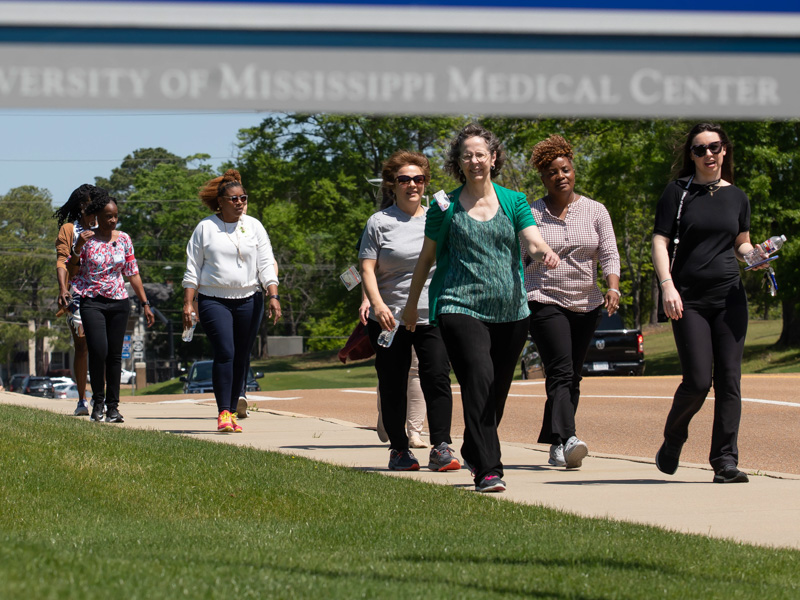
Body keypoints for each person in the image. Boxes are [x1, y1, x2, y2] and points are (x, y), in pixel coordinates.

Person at [403, 124, 559, 492]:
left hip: (511, 312)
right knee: (478, 379)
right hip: (460, 305)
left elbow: (532, 241)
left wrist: (544, 251)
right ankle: (489, 469)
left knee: (496, 392)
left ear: (493, 157)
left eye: (480, 154)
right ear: (459, 162)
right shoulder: (444, 204)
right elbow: (427, 258)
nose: (474, 161)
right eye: (466, 155)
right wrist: (413, 306)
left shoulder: (514, 200)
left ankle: (474, 445)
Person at [652, 123, 757, 484]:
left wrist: (754, 254)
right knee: (698, 381)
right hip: (688, 299)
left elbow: (741, 242)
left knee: (729, 380)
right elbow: (659, 241)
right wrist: (667, 286)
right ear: (691, 156)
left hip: (729, 298)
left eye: (714, 147)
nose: (708, 154)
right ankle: (673, 438)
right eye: (700, 149)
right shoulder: (677, 192)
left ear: (724, 150)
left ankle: (724, 461)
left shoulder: (738, 197)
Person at [524, 135, 621, 469]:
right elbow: (520, 256)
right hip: (544, 298)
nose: (560, 176)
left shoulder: (595, 210)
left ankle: (555, 442)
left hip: (587, 302)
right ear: (543, 177)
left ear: (573, 170)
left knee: (572, 376)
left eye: (565, 169)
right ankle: (569, 439)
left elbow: (609, 251)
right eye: (552, 172)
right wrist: (536, 255)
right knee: (561, 372)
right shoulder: (531, 212)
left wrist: (613, 287)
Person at [360, 150, 458, 472]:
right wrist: (376, 304)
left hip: (431, 313)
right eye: (405, 179)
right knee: (392, 382)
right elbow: (367, 269)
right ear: (393, 184)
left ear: (426, 183)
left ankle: (441, 447)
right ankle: (399, 449)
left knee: (436, 378)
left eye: (418, 179)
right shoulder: (380, 222)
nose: (412, 185)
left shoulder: (437, 218)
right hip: (389, 319)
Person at [182, 169, 280, 434]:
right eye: (234, 199)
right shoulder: (205, 228)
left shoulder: (254, 226)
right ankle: (223, 412)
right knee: (225, 352)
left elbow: (266, 264)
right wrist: (188, 303)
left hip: (250, 299)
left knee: (241, 357)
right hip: (214, 299)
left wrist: (273, 295)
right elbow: (192, 268)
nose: (240, 203)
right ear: (221, 202)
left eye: (243, 198)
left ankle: (235, 407)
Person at [71, 191, 155, 423]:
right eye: (108, 216)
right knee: (99, 351)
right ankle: (97, 403)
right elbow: (72, 271)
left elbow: (132, 272)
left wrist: (145, 303)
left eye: (115, 216)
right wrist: (78, 247)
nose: (112, 220)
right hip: (92, 301)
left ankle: (113, 407)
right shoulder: (86, 239)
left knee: (115, 356)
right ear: (97, 216)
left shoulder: (124, 239)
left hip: (119, 301)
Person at [359, 291, 427, 448]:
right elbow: (368, 270)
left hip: (420, 308)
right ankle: (386, 416)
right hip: (387, 310)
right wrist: (366, 300)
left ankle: (414, 433)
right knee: (390, 371)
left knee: (416, 370)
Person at [53, 184, 97, 416]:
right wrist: (63, 288)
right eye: (91, 202)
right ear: (81, 205)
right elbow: (62, 259)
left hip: (105, 291)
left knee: (103, 346)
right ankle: (82, 399)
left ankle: (104, 398)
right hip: (78, 293)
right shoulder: (70, 229)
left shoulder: (107, 223)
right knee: (82, 346)